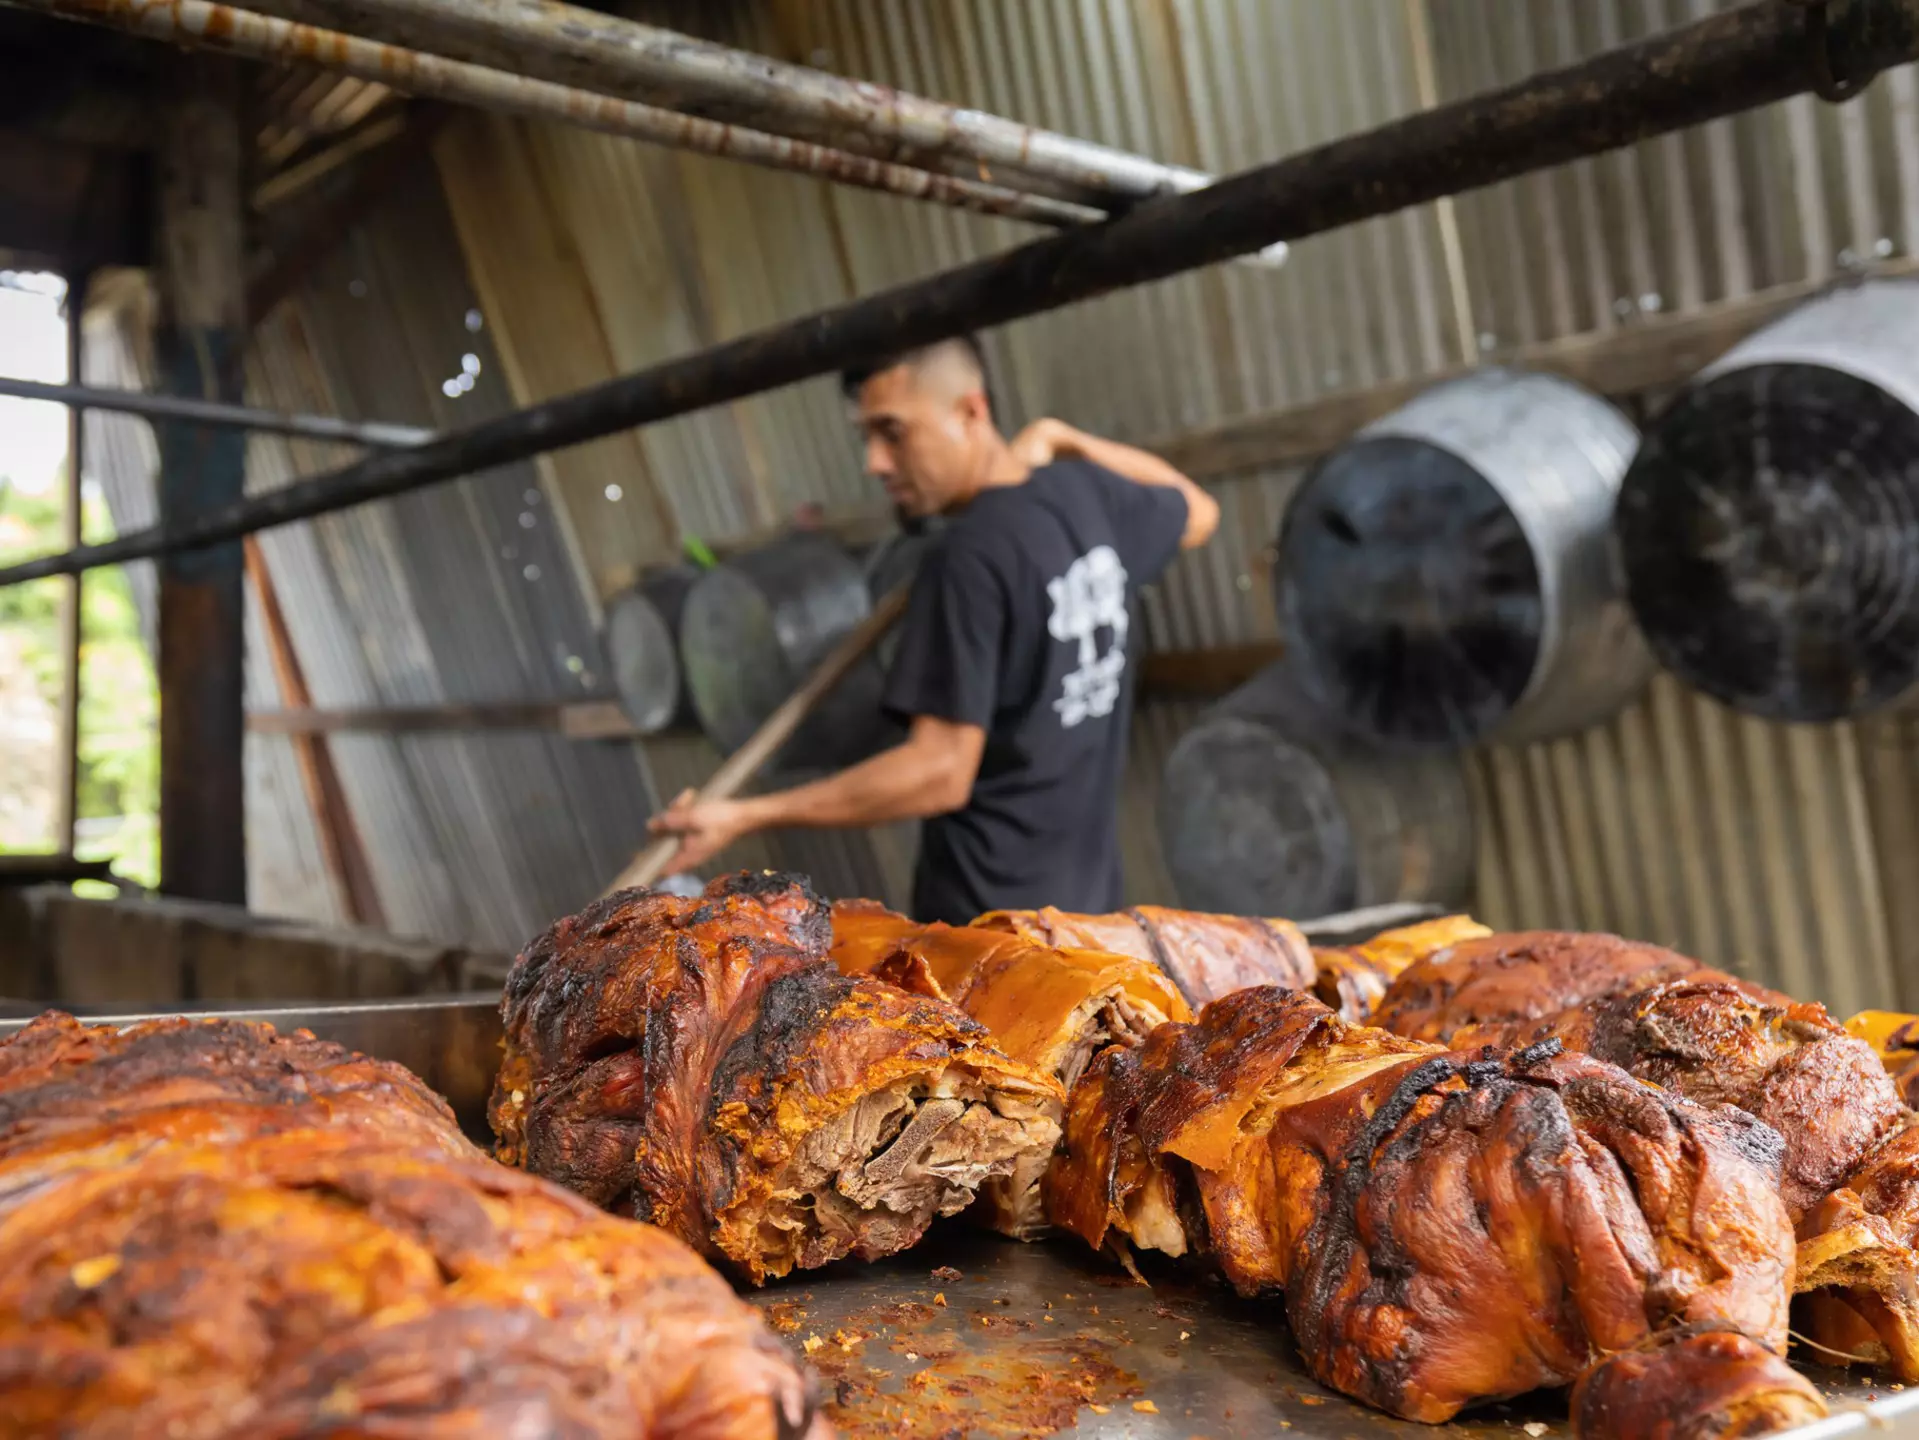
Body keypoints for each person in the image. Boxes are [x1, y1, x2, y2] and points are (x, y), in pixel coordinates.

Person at [649, 335, 1219, 925]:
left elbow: (939, 773)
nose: (874, 462)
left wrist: (747, 815)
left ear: (971, 411)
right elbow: (1199, 510)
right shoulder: (1084, 495)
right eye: (866, 437)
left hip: (989, 933)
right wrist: (1063, 437)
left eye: (892, 432)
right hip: (1088, 914)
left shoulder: (967, 559)